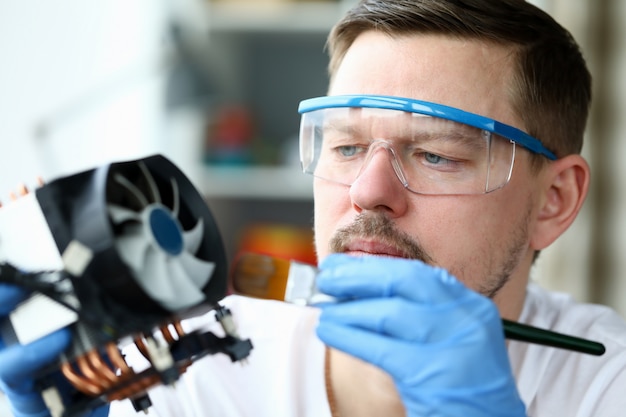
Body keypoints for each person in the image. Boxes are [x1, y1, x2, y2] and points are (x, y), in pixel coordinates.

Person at [1, 0, 626, 416]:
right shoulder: (198, 371)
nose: (367, 190)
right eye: (347, 146)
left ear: (554, 200)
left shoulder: (606, 386)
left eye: (438, 154)